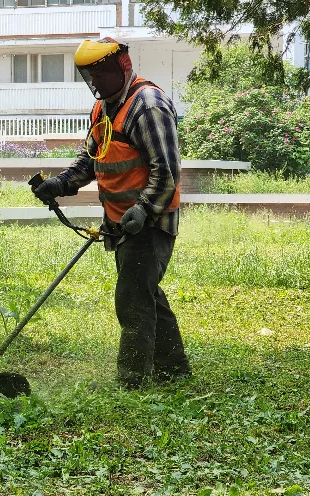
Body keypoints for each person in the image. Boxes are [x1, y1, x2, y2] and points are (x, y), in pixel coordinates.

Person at [32, 37, 191, 389]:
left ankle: (132, 380)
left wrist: (143, 209)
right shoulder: (104, 107)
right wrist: (60, 184)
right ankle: (174, 368)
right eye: (89, 76)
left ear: (121, 67)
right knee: (144, 291)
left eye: (101, 75)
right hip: (121, 221)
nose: (95, 83)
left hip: (150, 220)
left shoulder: (147, 105)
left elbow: (167, 171)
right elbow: (94, 157)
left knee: (133, 297)